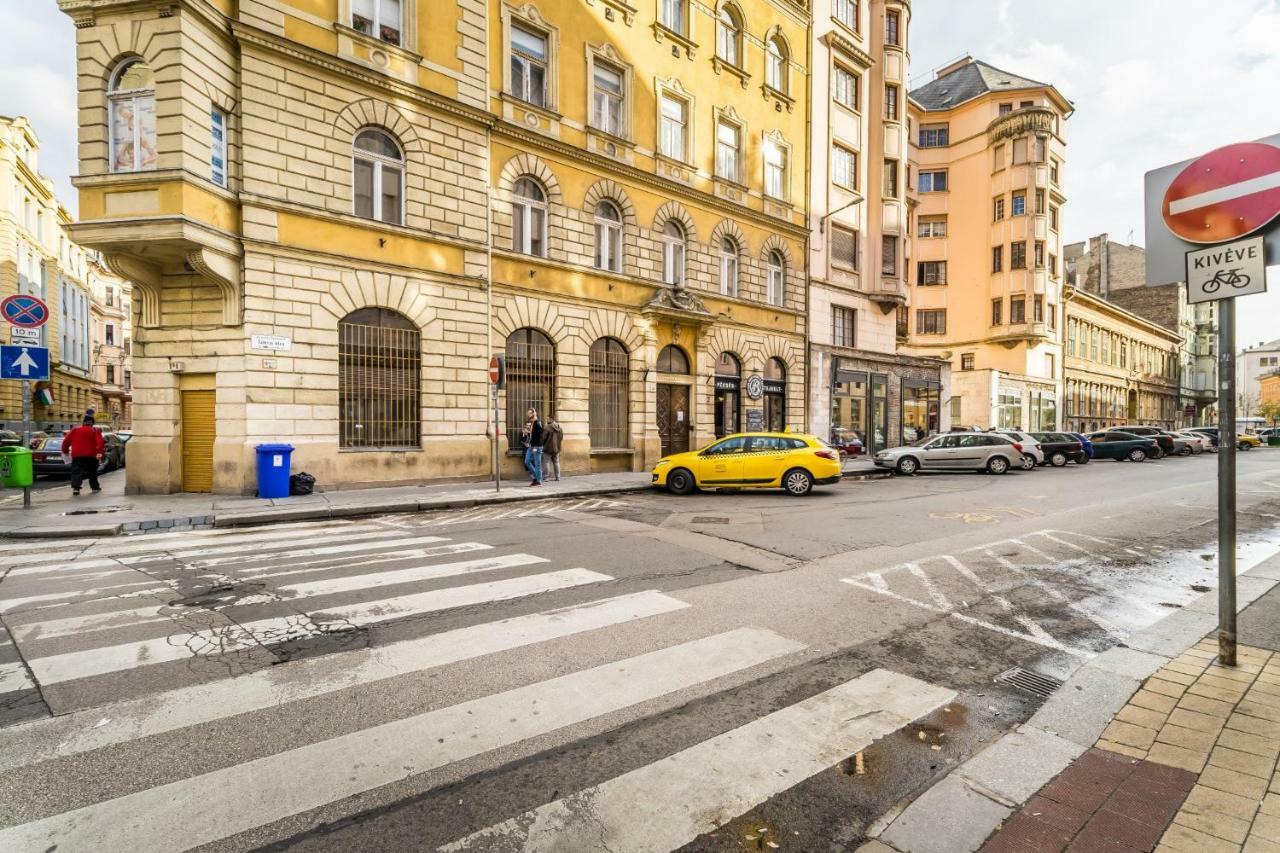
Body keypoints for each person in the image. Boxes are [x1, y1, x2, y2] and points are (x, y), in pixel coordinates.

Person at [65, 415, 105, 496]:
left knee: (76, 471)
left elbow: (66, 441)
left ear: (83, 422)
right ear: (92, 422)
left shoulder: (75, 430)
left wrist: (65, 450)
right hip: (91, 455)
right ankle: (95, 487)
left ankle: (76, 488)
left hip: (77, 454)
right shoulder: (95, 430)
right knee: (92, 471)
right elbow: (99, 442)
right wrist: (99, 452)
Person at [524, 408, 545, 486]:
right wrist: (527, 433)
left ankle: (538, 481)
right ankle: (536, 478)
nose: (528, 415)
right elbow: (533, 435)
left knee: (537, 464)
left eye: (530, 413)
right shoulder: (531, 423)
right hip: (531, 446)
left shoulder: (537, 423)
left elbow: (540, 435)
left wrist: (535, 447)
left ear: (534, 414)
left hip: (537, 446)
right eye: (528, 413)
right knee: (527, 461)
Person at [542, 415, 564, 482]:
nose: (546, 420)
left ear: (551, 419)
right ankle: (558, 477)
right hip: (557, 448)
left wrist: (543, 444)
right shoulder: (559, 427)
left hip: (548, 448)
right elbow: (561, 437)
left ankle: (546, 477)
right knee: (556, 462)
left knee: (546, 462)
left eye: (547, 419)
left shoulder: (547, 427)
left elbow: (543, 438)